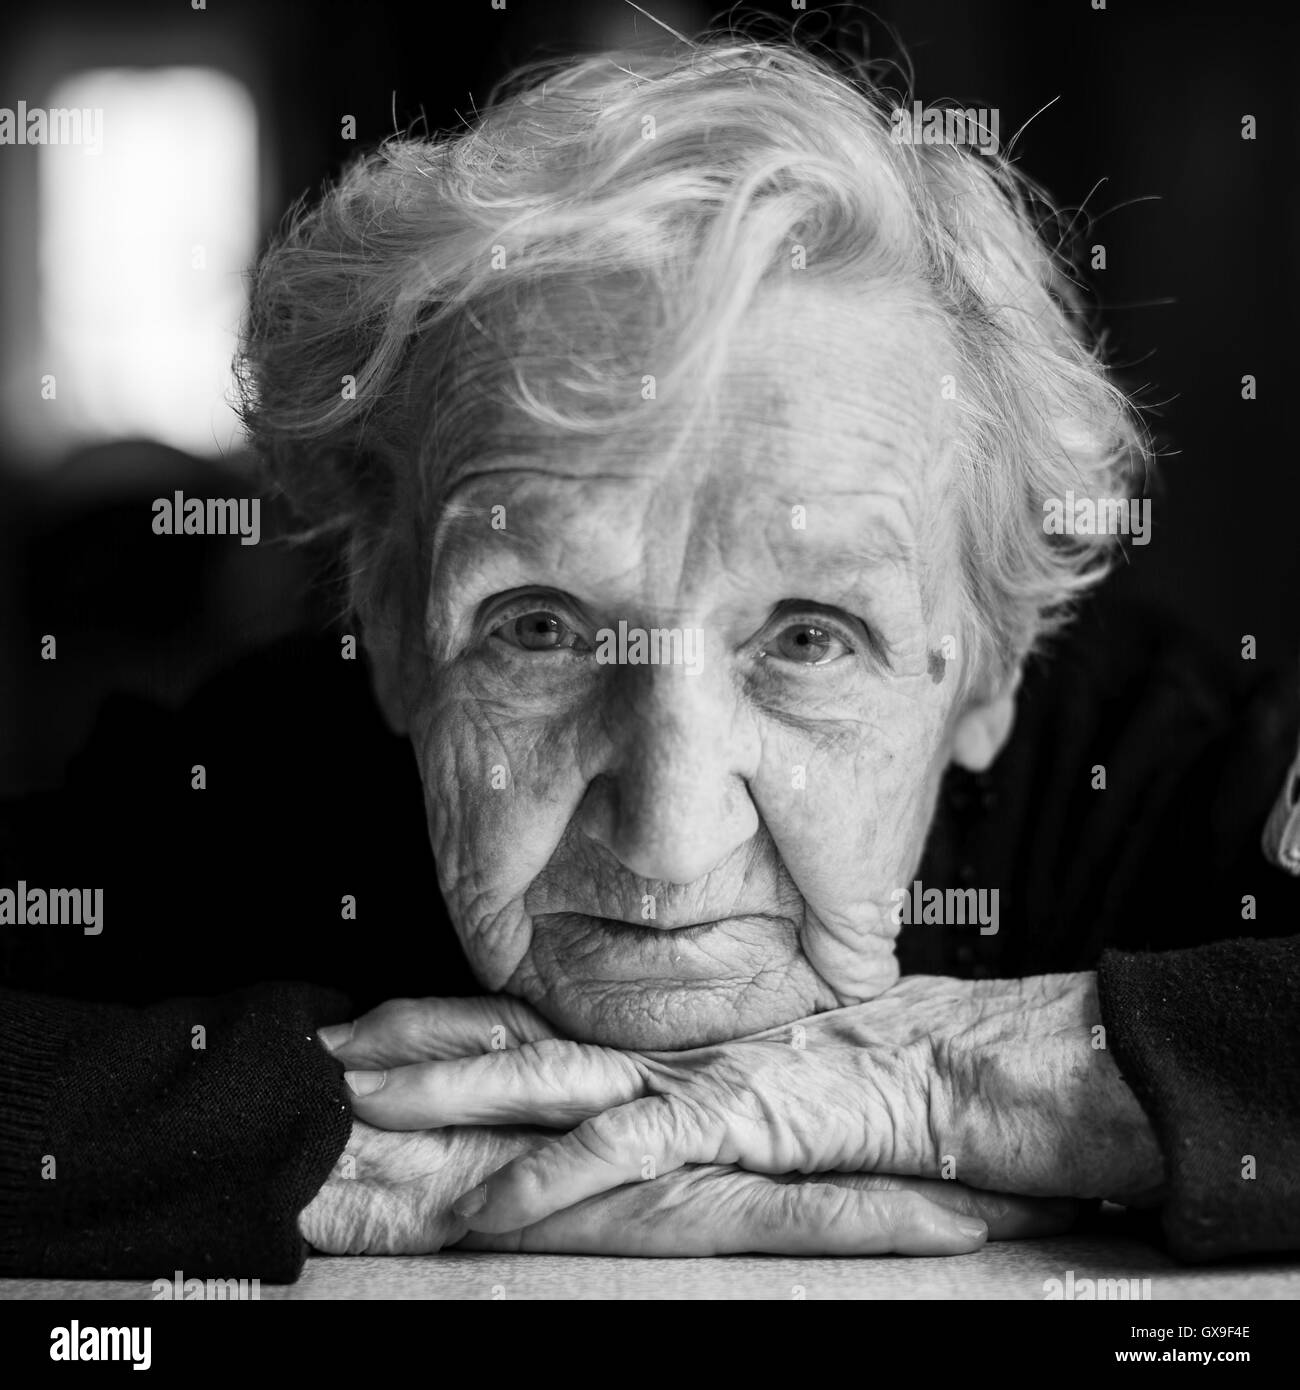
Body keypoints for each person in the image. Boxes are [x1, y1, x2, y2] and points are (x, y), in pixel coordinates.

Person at [3, 37, 1298, 1280]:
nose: (668, 835)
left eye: (807, 638)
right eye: (541, 629)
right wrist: (322, 1135)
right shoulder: (254, 789)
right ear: (396, 633)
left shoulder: (1160, 772)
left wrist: (972, 1074)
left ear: (989, 668)